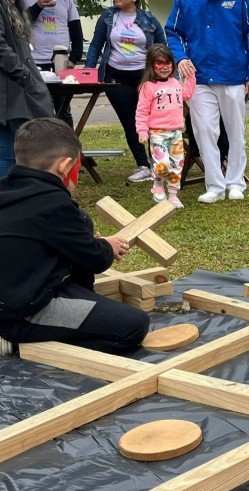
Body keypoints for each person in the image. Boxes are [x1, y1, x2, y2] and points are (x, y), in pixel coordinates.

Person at [0, 118, 149, 356]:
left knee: (82, 223)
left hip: (14, 292)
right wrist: (105, 246)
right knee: (133, 326)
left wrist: (91, 242)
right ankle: (17, 343)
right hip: (23, 311)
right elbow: (96, 260)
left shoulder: (7, 190)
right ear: (65, 166)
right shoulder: (53, 203)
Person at [165, 0, 249, 203]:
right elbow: (173, 31)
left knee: (236, 131)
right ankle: (215, 185)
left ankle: (235, 182)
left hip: (233, 75)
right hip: (198, 77)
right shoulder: (184, 1)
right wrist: (181, 57)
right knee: (204, 130)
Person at [85, 0, 165, 184]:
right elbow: (96, 46)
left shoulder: (149, 18)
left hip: (145, 76)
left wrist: (169, 77)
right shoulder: (107, 17)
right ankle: (143, 166)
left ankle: (158, 163)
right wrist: (87, 71)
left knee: (152, 121)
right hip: (115, 76)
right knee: (131, 121)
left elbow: (162, 48)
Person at [135, 44, 195, 209]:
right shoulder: (148, 87)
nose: (164, 67)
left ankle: (174, 195)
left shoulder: (175, 82)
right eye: (159, 63)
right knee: (163, 164)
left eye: (167, 63)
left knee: (178, 164)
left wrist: (190, 76)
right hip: (157, 133)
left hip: (176, 133)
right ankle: (158, 185)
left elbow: (187, 94)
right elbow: (141, 112)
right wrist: (142, 131)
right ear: (151, 65)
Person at [0, 0, 54, 177]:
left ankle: (14, 198)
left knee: (11, 151)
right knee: (23, 153)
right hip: (12, 93)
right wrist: (24, 75)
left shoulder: (15, 6)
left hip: (17, 90)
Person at [26, 0, 82, 127]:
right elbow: (21, 23)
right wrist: (38, 6)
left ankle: (69, 145)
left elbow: (76, 30)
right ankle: (40, 144)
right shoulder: (24, 1)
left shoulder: (67, 2)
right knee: (37, 110)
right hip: (35, 61)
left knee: (63, 109)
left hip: (61, 61)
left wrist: (74, 58)